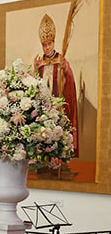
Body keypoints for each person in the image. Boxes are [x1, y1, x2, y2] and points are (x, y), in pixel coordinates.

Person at [34, 13, 79, 157]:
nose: (47, 48)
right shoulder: (39, 63)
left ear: (53, 43)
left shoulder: (61, 60)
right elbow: (35, 85)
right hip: (44, 107)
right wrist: (35, 70)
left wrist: (66, 70)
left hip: (58, 106)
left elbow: (70, 82)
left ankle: (59, 160)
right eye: (44, 45)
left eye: (49, 44)